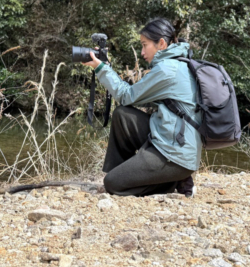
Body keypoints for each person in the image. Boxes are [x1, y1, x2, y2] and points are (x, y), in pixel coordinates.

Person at [82, 18, 200, 197]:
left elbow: (125, 95)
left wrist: (101, 69)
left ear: (161, 43)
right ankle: (129, 174)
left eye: (145, 45)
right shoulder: (178, 63)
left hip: (174, 155)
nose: (142, 52)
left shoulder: (167, 70)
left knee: (112, 184)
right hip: (172, 141)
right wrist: (105, 66)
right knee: (123, 115)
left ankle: (172, 183)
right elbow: (133, 100)